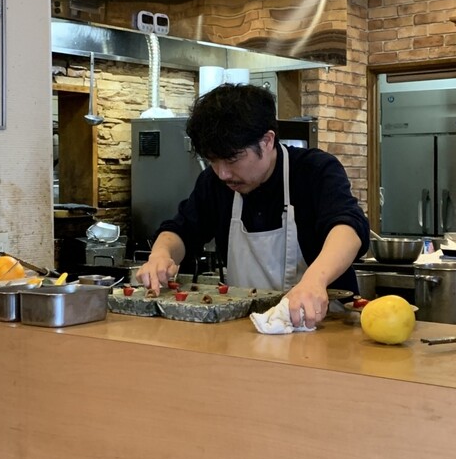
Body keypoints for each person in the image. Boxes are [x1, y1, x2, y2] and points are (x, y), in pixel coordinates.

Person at [136, 83, 370, 329]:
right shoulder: (214, 183)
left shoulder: (315, 170)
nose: (223, 173)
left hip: (324, 325)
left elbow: (348, 228)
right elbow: (181, 230)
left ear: (267, 141)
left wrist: (315, 280)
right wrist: (160, 255)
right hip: (246, 329)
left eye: (232, 159)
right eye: (213, 161)